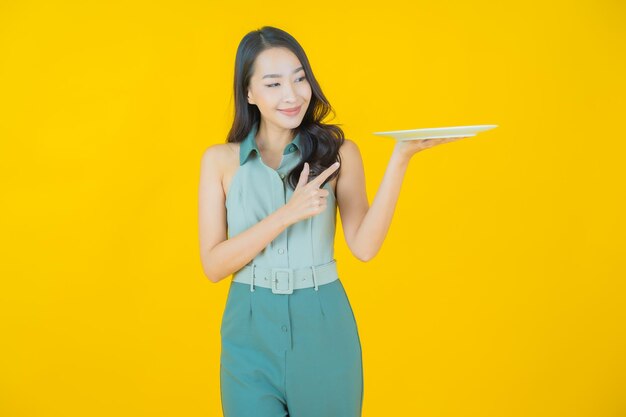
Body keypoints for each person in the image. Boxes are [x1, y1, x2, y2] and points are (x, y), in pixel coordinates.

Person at [198, 26, 467, 417]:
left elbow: (364, 247)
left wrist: (401, 158)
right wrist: (287, 214)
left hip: (323, 324)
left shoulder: (338, 153)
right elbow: (213, 265)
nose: (292, 95)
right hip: (248, 328)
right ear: (249, 93)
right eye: (273, 84)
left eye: (299, 78)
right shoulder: (219, 161)